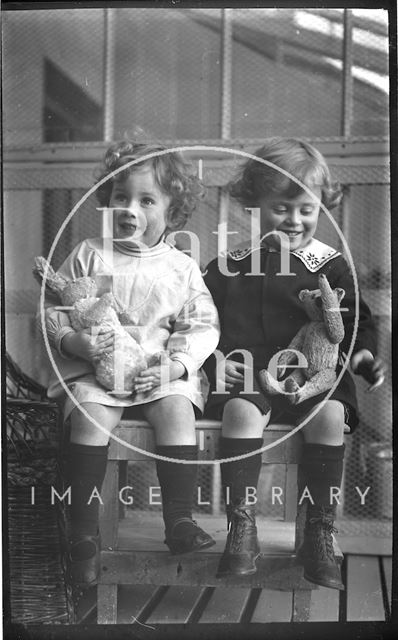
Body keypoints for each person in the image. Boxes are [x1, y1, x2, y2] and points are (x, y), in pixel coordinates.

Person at [203, 137, 385, 590]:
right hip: (250, 375)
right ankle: (242, 527)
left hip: (314, 377)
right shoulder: (230, 264)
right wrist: (210, 361)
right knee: (239, 411)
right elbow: (198, 320)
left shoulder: (332, 266)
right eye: (282, 207)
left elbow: (357, 320)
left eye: (307, 208)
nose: (295, 219)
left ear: (323, 205)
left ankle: (320, 531)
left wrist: (361, 353)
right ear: (256, 204)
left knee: (331, 415)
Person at [40, 140, 220, 588]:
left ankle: (178, 519)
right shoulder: (88, 253)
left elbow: (201, 324)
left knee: (177, 408)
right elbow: (55, 309)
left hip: (155, 372)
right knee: (87, 416)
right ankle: (82, 534)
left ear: (173, 211)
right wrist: (72, 343)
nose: (130, 209)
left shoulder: (181, 267)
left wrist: (176, 367)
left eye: (146, 200)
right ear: (106, 201)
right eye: (120, 197)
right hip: (99, 373)